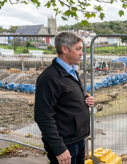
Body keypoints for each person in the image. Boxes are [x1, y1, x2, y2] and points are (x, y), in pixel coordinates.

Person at [34, 31, 95, 164]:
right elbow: (43, 116)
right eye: (78, 49)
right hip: (65, 144)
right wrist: (59, 148)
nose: (82, 53)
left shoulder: (72, 70)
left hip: (78, 138)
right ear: (65, 49)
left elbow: (66, 97)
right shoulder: (49, 78)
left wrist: (84, 99)